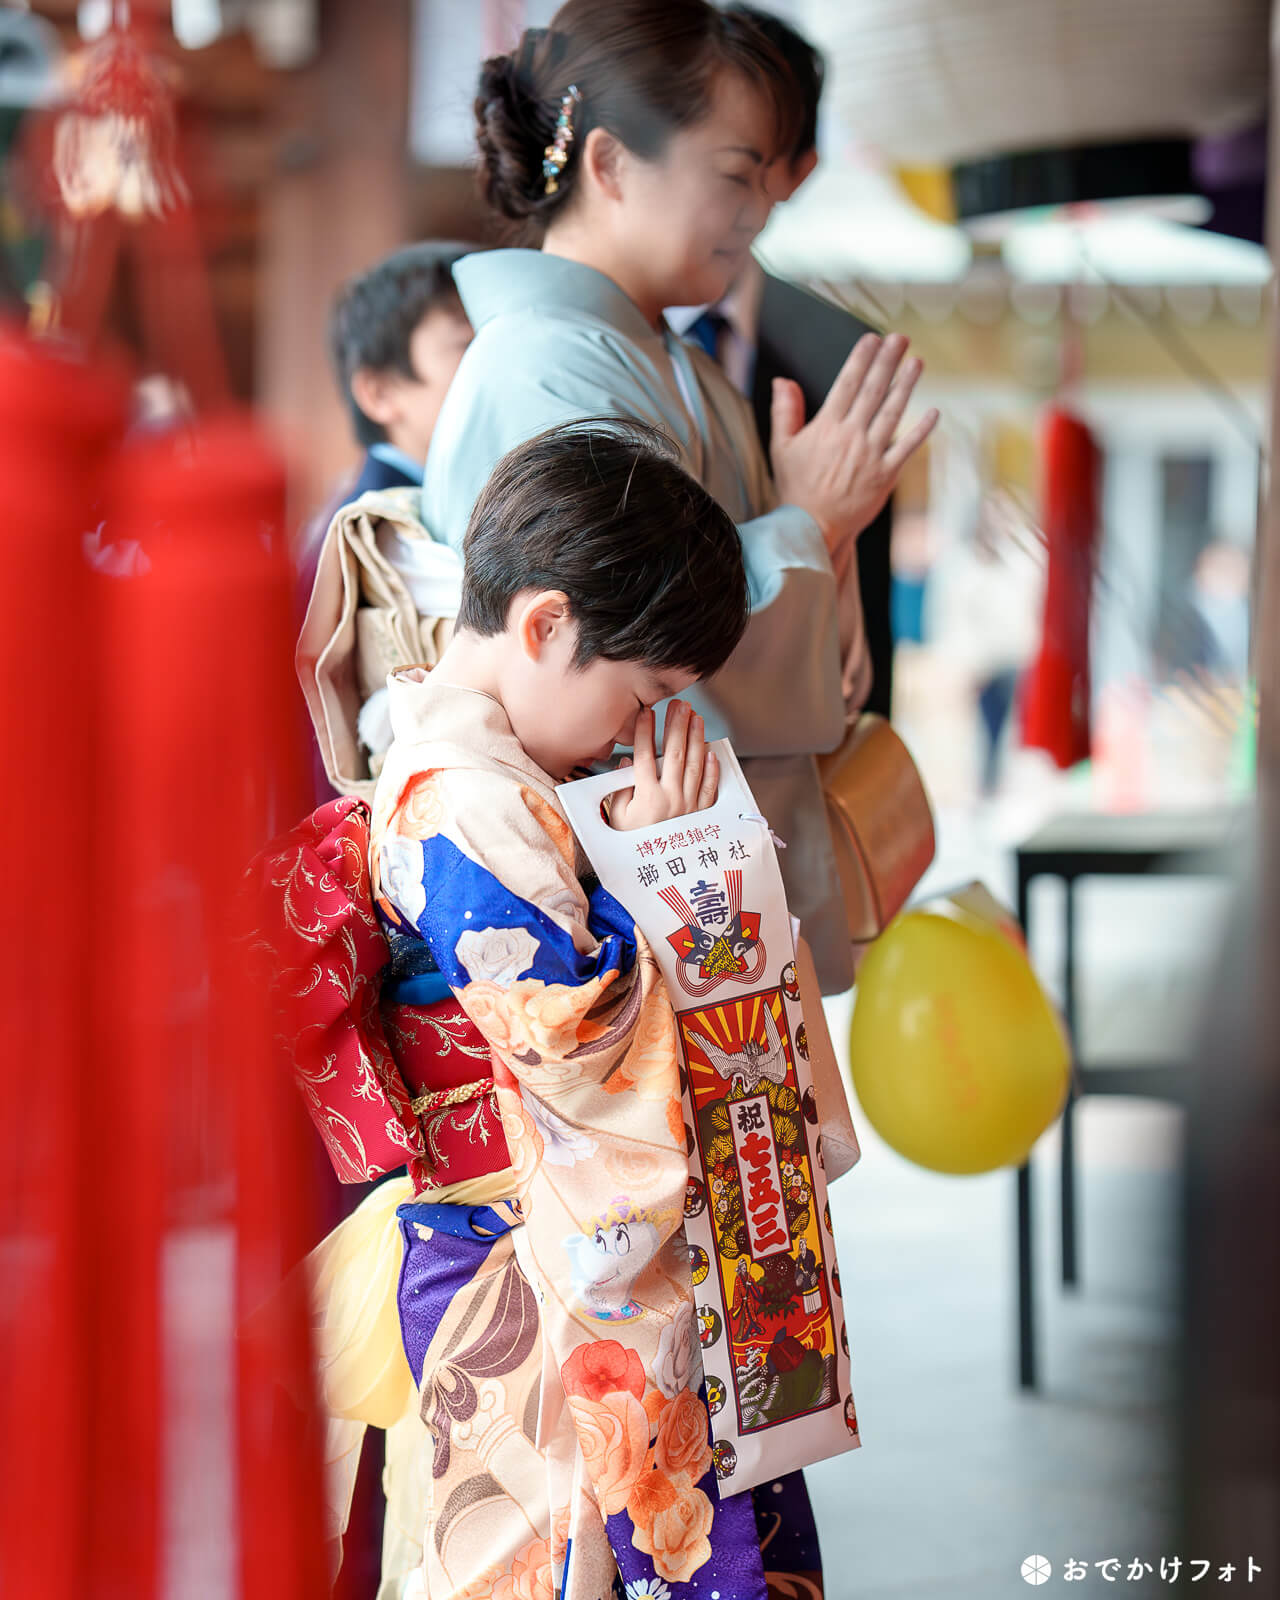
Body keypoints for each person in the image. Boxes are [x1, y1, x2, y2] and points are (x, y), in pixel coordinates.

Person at [301, 419, 827, 1598]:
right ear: (543, 625)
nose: (640, 730)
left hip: (545, 1245)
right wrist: (680, 874)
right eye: (642, 692)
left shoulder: (498, 773)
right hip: (529, 1270)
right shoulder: (461, 801)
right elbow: (581, 1047)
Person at [422, 0, 937, 996]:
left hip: (699, 873)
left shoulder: (672, 364)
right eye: (736, 176)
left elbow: (779, 663)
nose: (760, 212)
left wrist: (821, 545)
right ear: (611, 166)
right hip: (609, 892)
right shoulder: (545, 365)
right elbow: (623, 648)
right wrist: (809, 523)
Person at [669, 3, 897, 718]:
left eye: (739, 161)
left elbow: (868, 617)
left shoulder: (844, 358)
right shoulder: (594, 335)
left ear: (797, 172)